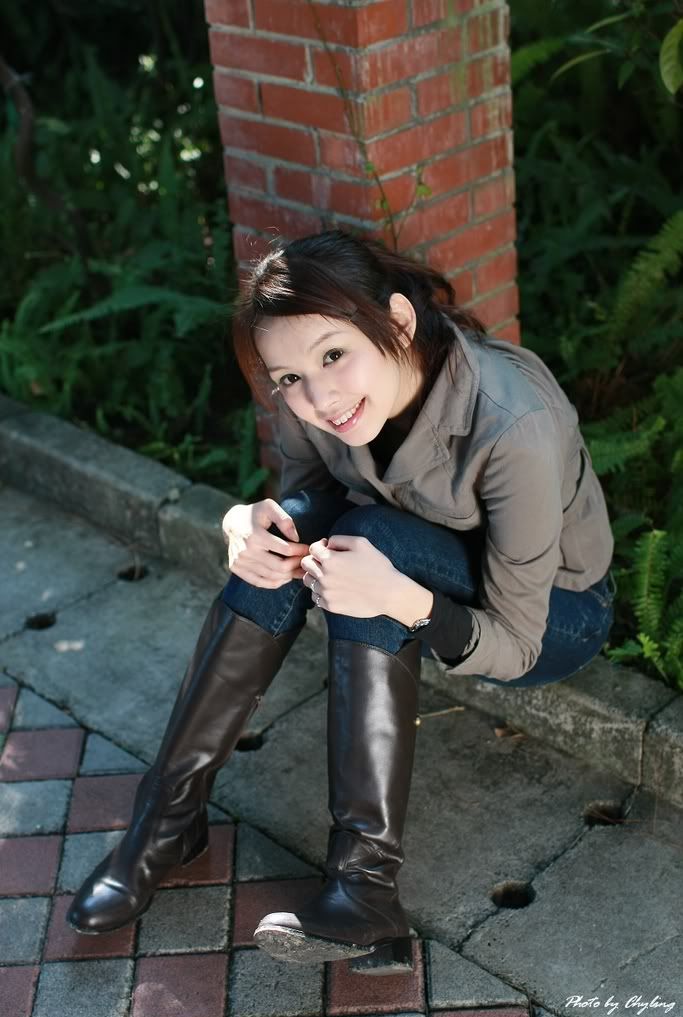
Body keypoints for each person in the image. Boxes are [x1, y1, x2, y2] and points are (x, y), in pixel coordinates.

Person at [66, 229, 615, 974]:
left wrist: (406, 601)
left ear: (397, 321)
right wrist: (244, 524)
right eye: (289, 377)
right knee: (295, 535)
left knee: (366, 541)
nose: (319, 397)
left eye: (334, 355)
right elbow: (307, 503)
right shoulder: (312, 400)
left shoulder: (512, 424)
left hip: (553, 615)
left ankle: (364, 885)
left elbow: (517, 642)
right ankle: (167, 820)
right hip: (419, 564)